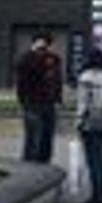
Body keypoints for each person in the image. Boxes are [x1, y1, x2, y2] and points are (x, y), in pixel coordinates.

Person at [75, 47, 102, 203]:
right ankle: (100, 194)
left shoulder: (85, 78)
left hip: (89, 121)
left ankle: (95, 198)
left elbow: (82, 103)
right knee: (99, 159)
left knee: (92, 159)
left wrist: (78, 121)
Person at [16, 32, 63, 163]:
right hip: (31, 103)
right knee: (33, 137)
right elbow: (22, 77)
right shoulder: (27, 59)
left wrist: (58, 98)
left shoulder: (54, 59)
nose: (44, 48)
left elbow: (57, 80)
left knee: (47, 137)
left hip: (49, 103)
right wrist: (34, 53)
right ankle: (29, 166)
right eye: (41, 45)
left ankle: (44, 165)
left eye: (46, 45)